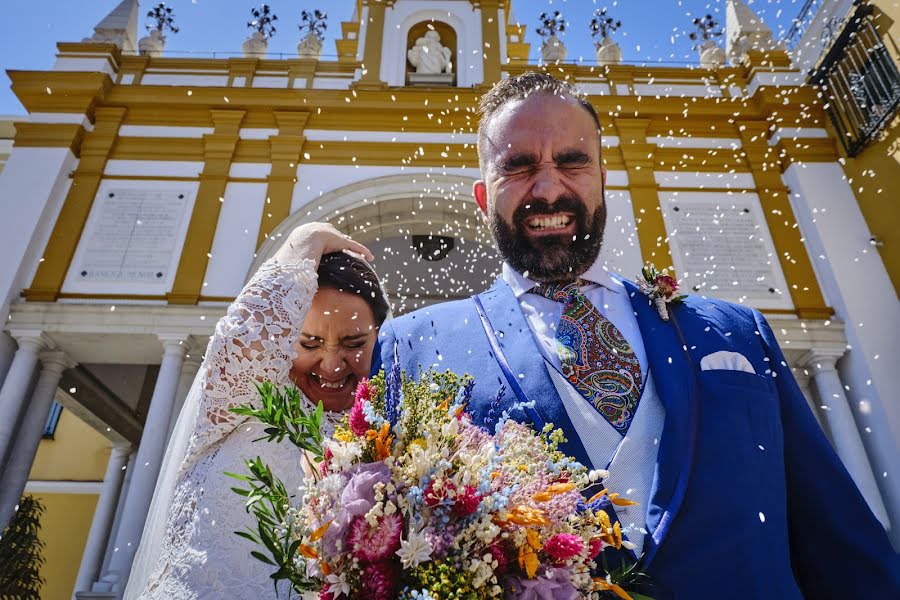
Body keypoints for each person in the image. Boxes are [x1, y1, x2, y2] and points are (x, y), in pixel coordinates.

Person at [376, 72, 900, 598]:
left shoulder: (736, 334)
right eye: (518, 165)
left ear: (603, 176)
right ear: (482, 194)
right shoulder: (412, 348)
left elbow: (841, 545)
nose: (549, 186)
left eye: (572, 161)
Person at [125, 223, 389, 599]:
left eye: (354, 343)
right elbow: (242, 341)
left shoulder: (386, 425)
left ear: (379, 334)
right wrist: (303, 243)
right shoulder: (245, 393)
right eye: (310, 343)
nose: (332, 366)